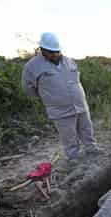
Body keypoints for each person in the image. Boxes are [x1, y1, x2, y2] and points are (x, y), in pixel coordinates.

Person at [21, 32, 99, 172]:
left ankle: (92, 149)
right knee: (69, 136)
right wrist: (48, 97)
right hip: (60, 110)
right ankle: (73, 158)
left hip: (80, 105)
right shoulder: (31, 67)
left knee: (87, 129)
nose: (55, 54)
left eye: (57, 51)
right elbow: (28, 89)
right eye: (51, 52)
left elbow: (76, 81)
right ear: (42, 50)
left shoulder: (69, 61)